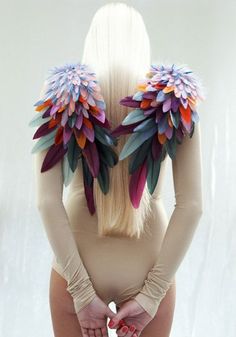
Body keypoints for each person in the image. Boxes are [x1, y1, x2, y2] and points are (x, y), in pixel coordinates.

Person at [32, 3, 203, 337]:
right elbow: (192, 206)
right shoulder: (177, 99)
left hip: (76, 262)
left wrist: (81, 291)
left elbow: (47, 202)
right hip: (150, 261)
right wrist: (153, 292)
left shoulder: (58, 96)